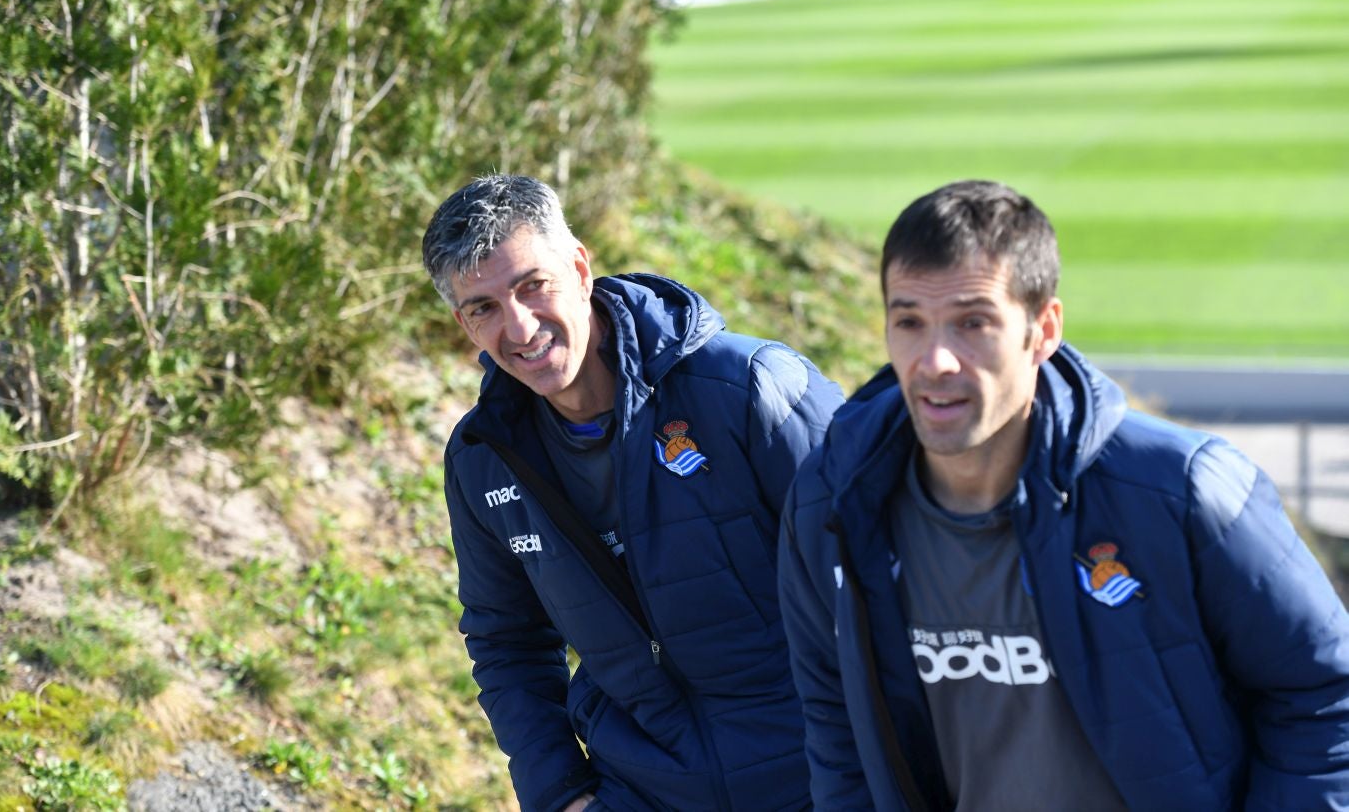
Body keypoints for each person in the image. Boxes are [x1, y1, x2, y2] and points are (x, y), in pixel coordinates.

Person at [777, 179, 1349, 811]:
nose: (936, 359)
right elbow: (838, 730)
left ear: (1043, 329)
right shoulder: (831, 503)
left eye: (974, 322)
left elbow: (1325, 698)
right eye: (909, 321)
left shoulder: (1181, 491)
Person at [422, 174, 844, 812]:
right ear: (464, 324)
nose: (520, 326)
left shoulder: (750, 389)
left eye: (532, 285)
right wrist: (561, 793)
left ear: (580, 267)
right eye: (483, 308)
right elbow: (507, 640)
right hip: (641, 790)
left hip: (818, 780)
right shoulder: (483, 459)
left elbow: (883, 581)